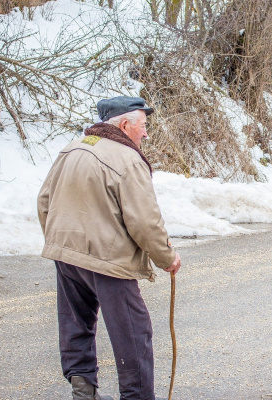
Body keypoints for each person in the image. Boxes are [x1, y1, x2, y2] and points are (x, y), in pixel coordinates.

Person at [37, 96, 181, 400]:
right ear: (125, 124)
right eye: (143, 126)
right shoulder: (128, 159)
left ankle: (83, 393)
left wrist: (61, 241)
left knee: (76, 326)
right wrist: (166, 257)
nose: (146, 134)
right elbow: (145, 222)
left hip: (66, 254)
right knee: (133, 334)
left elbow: (44, 201)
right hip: (107, 261)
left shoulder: (72, 148)